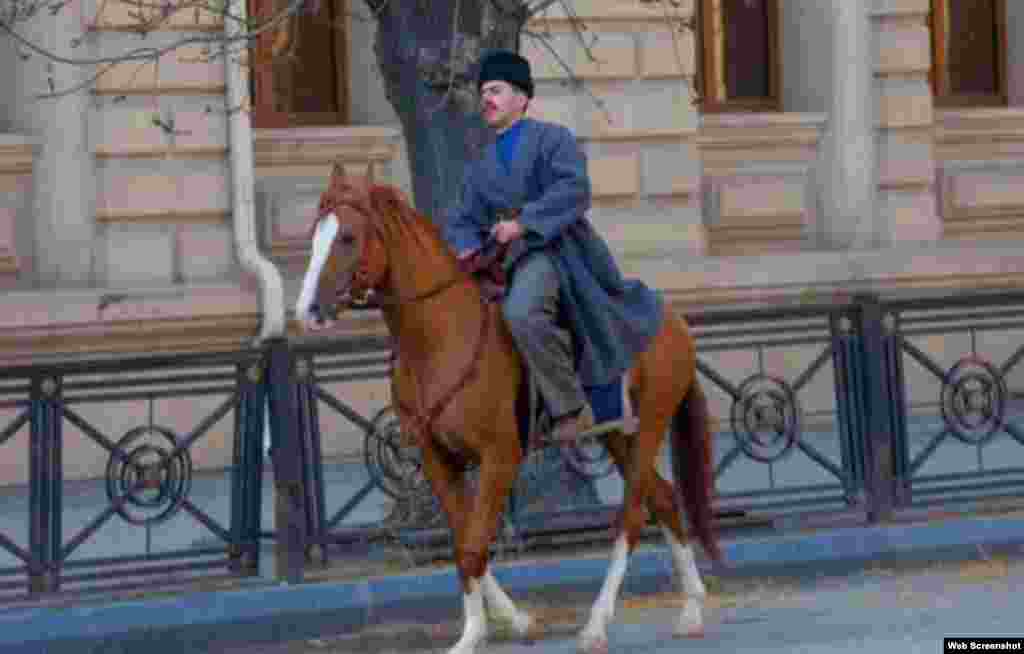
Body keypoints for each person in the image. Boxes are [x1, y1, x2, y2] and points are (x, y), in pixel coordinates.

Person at [443, 50, 665, 444]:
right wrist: (464, 246)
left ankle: (571, 409)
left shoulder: (553, 139)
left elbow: (574, 189)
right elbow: (462, 215)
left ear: (522, 98)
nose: (486, 100)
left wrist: (523, 223)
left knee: (523, 312)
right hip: (500, 262)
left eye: (496, 90)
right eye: (483, 94)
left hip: (551, 251)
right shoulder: (481, 162)